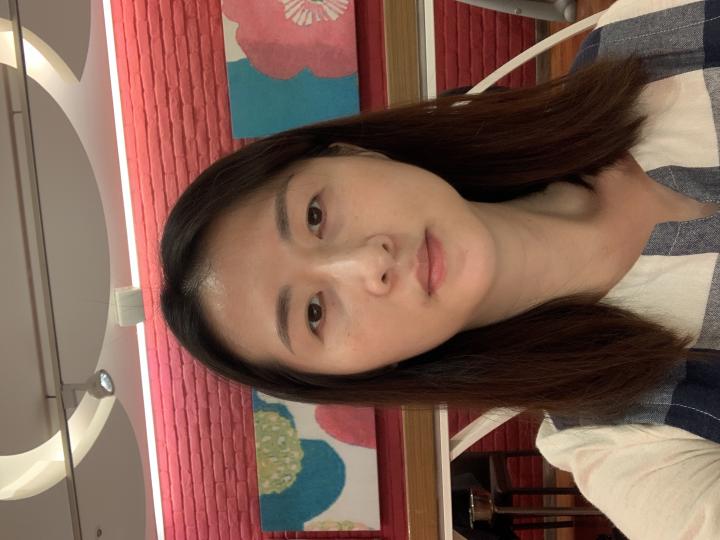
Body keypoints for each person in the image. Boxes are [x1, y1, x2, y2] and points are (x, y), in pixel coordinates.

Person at [160, 0, 720, 537]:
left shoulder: (649, 38)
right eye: (313, 313)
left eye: (314, 215)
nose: (369, 262)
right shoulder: (621, 442)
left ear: (352, 153)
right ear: (357, 373)